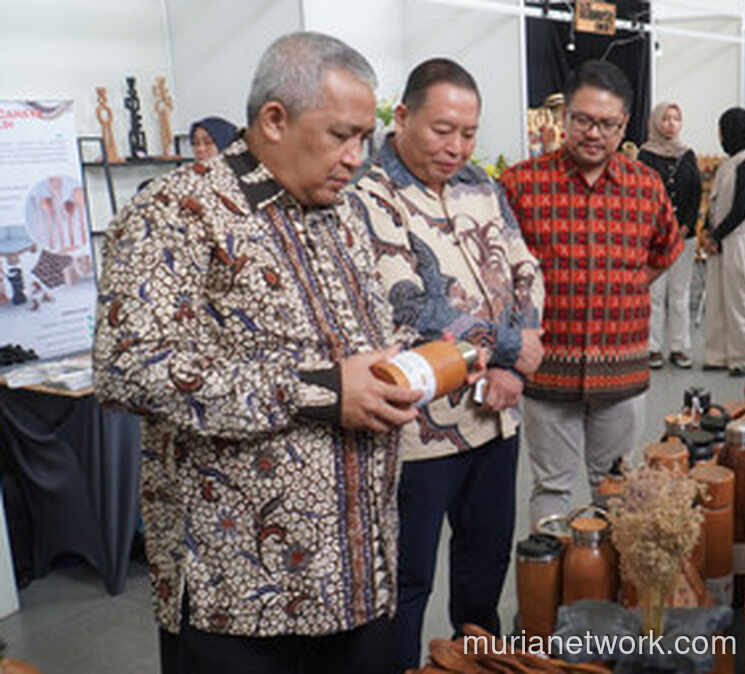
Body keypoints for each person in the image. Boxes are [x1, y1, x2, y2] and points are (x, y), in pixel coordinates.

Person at [93, 32, 466, 674]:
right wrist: (318, 391)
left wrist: (413, 365)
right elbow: (126, 367)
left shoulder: (341, 213)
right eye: (341, 135)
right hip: (244, 601)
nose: (355, 157)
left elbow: (351, 346)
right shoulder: (177, 211)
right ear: (273, 119)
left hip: (359, 577)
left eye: (364, 138)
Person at [346, 57, 545, 669]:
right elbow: (410, 304)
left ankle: (479, 663)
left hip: (495, 416)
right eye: (442, 130)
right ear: (403, 116)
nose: (456, 146)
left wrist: (515, 363)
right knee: (406, 583)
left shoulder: (481, 185)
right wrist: (509, 348)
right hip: (420, 431)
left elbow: (524, 267)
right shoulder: (368, 192)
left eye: (468, 133)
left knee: (485, 565)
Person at [500, 60, 681, 525]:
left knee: (617, 487)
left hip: (621, 369)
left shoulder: (645, 186)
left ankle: (613, 572)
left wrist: (623, 287)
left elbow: (666, 249)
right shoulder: (520, 185)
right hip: (548, 372)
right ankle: (549, 571)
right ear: (564, 117)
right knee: (552, 487)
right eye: (582, 120)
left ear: (624, 125)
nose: (594, 133)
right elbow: (498, 271)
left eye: (607, 124)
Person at [700, 107, 745, 377]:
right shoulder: (729, 163)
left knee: (740, 297)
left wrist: (716, 235)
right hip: (722, 236)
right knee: (716, 297)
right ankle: (718, 354)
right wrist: (707, 230)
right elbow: (716, 202)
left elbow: (741, 208)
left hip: (738, 238)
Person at [638, 102, 701, 370]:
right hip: (654, 237)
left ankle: (679, 347)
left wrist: (685, 226)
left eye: (676, 118)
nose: (671, 124)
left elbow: (696, 193)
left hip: (684, 236)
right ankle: (652, 347)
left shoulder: (687, 154)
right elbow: (641, 195)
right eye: (665, 118)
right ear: (655, 122)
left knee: (679, 293)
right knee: (655, 293)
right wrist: (658, 229)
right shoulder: (645, 155)